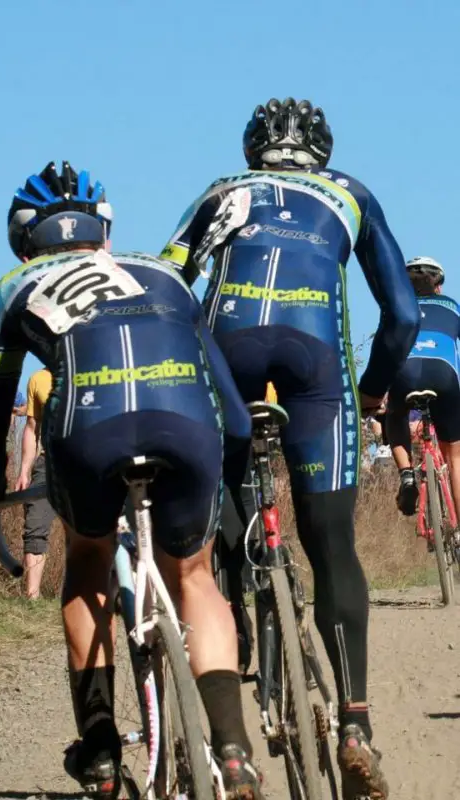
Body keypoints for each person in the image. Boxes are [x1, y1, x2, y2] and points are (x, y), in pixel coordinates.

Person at [0, 161, 261, 799]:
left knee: (90, 560)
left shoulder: (14, 285)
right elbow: (229, 402)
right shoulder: (161, 273)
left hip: (86, 430)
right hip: (185, 421)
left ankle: (99, 755)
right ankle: (234, 751)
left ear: (23, 241)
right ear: (103, 233)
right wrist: (237, 459)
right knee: (194, 577)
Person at [160, 97, 421, 800]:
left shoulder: (221, 192)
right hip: (315, 362)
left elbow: (164, 283)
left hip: (227, 344)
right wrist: (370, 393)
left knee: (213, 517)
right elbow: (402, 314)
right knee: (332, 544)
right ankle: (355, 724)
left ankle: (230, 629)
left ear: (253, 151)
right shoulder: (350, 194)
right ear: (323, 152)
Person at [386, 257, 460, 522]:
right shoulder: (453, 307)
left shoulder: (396, 307)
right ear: (438, 286)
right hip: (444, 374)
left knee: (394, 416)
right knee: (455, 456)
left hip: (404, 373)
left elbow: (385, 351)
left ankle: (407, 475)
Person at [15, 368, 56, 599]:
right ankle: (32, 598)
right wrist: (24, 470)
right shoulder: (38, 379)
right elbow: (32, 429)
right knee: (35, 526)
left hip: (85, 463)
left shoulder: (94, 370)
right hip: (47, 463)